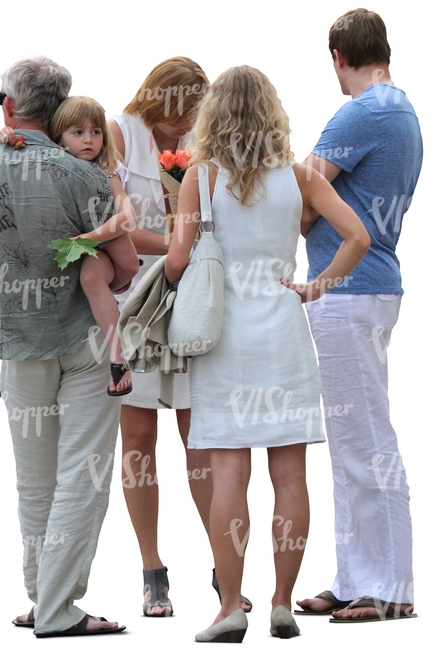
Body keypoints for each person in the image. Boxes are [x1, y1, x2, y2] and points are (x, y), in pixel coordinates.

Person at [165, 65, 370, 642]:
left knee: (228, 472)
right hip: (283, 332)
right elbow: (358, 236)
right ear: (272, 113)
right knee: (290, 475)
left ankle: (231, 605)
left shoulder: (199, 178)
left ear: (215, 115)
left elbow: (179, 262)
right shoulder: (301, 177)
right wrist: (315, 286)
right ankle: (282, 601)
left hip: (224, 337)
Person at [0, 57, 127, 637]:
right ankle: (58, 609)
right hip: (85, 340)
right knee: (83, 475)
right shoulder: (85, 176)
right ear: (58, 113)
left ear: (8, 106)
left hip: (20, 345)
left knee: (35, 479)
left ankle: (39, 599)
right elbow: (124, 264)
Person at [109, 57, 252, 616]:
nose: (188, 127)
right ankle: (152, 568)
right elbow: (113, 226)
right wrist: (176, 238)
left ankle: (224, 565)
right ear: (162, 102)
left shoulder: (204, 138)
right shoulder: (115, 133)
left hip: (191, 304)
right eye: (184, 115)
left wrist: (186, 241)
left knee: (201, 437)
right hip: (137, 305)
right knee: (139, 438)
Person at [295, 9, 422, 622]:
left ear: (339, 57)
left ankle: (387, 587)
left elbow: (306, 199)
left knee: (364, 439)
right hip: (369, 287)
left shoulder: (361, 111)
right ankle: (357, 578)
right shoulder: (404, 111)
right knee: (354, 437)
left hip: (348, 289)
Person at [0, 96, 139, 397]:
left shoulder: (108, 170)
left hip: (99, 252)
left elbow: (128, 217)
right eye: (78, 133)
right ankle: (8, 367)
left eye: (96, 132)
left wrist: (87, 240)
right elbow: (3, 170)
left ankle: (118, 358)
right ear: (59, 138)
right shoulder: (48, 164)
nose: (89, 140)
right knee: (21, 276)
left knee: (90, 276)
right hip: (57, 258)